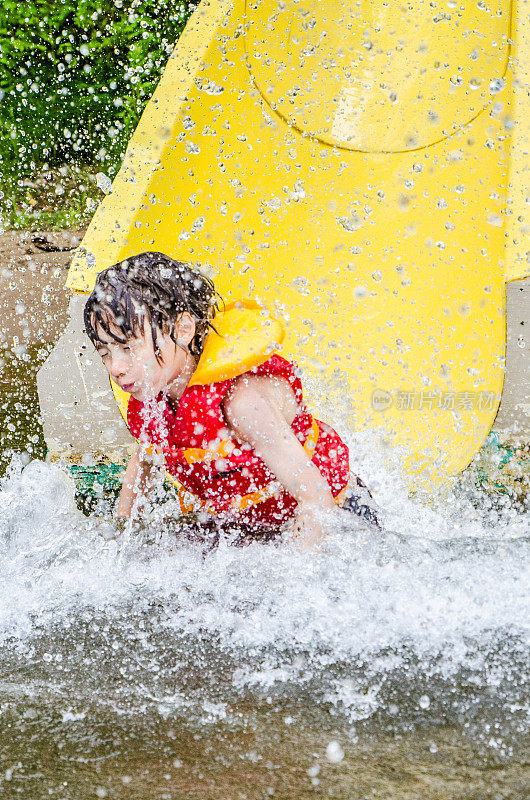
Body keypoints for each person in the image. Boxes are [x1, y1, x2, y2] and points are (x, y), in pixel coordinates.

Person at [83, 252, 381, 548]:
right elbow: (144, 459)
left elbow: (316, 501)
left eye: (127, 348)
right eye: (105, 353)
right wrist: (121, 533)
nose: (116, 368)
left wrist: (290, 578)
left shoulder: (242, 402)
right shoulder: (156, 400)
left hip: (338, 518)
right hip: (246, 523)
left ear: (182, 329)